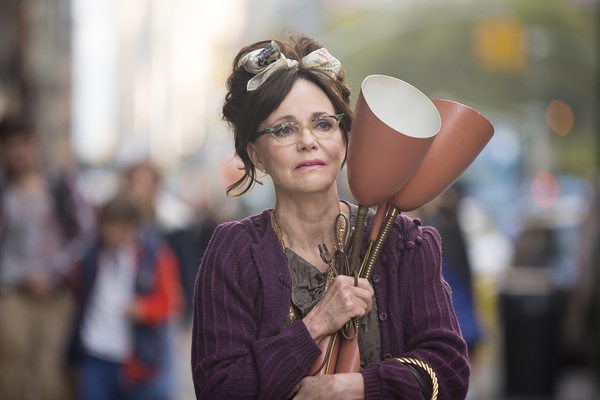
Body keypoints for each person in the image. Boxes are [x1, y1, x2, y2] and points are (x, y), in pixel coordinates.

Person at [190, 33, 470, 399]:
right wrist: (317, 323)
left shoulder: (403, 243)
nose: (308, 141)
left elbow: (450, 372)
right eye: (284, 129)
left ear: (346, 139)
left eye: (323, 123)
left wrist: (353, 388)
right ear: (256, 155)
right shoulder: (234, 252)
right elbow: (219, 388)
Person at [0, 116, 95, 400]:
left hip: (57, 294)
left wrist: (54, 275)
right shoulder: (4, 189)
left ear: (35, 143)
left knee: (53, 376)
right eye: (10, 146)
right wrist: (20, 276)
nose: (18, 152)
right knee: (10, 373)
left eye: (23, 144)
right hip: (11, 293)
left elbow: (86, 235)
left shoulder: (61, 185)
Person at [66, 196, 183, 400]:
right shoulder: (92, 253)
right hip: (93, 352)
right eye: (107, 226)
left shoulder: (155, 255)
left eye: (117, 227)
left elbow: (170, 303)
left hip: (132, 360)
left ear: (131, 227)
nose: (111, 233)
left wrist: (143, 309)